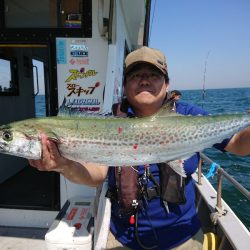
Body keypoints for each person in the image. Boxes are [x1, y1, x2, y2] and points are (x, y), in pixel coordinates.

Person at [29, 46, 250, 249]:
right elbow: (96, 175)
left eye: (153, 75)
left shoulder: (188, 114)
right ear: (125, 86)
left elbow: (239, 146)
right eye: (136, 75)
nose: (144, 80)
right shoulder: (110, 123)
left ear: (167, 84)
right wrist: (64, 165)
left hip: (183, 238)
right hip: (124, 238)